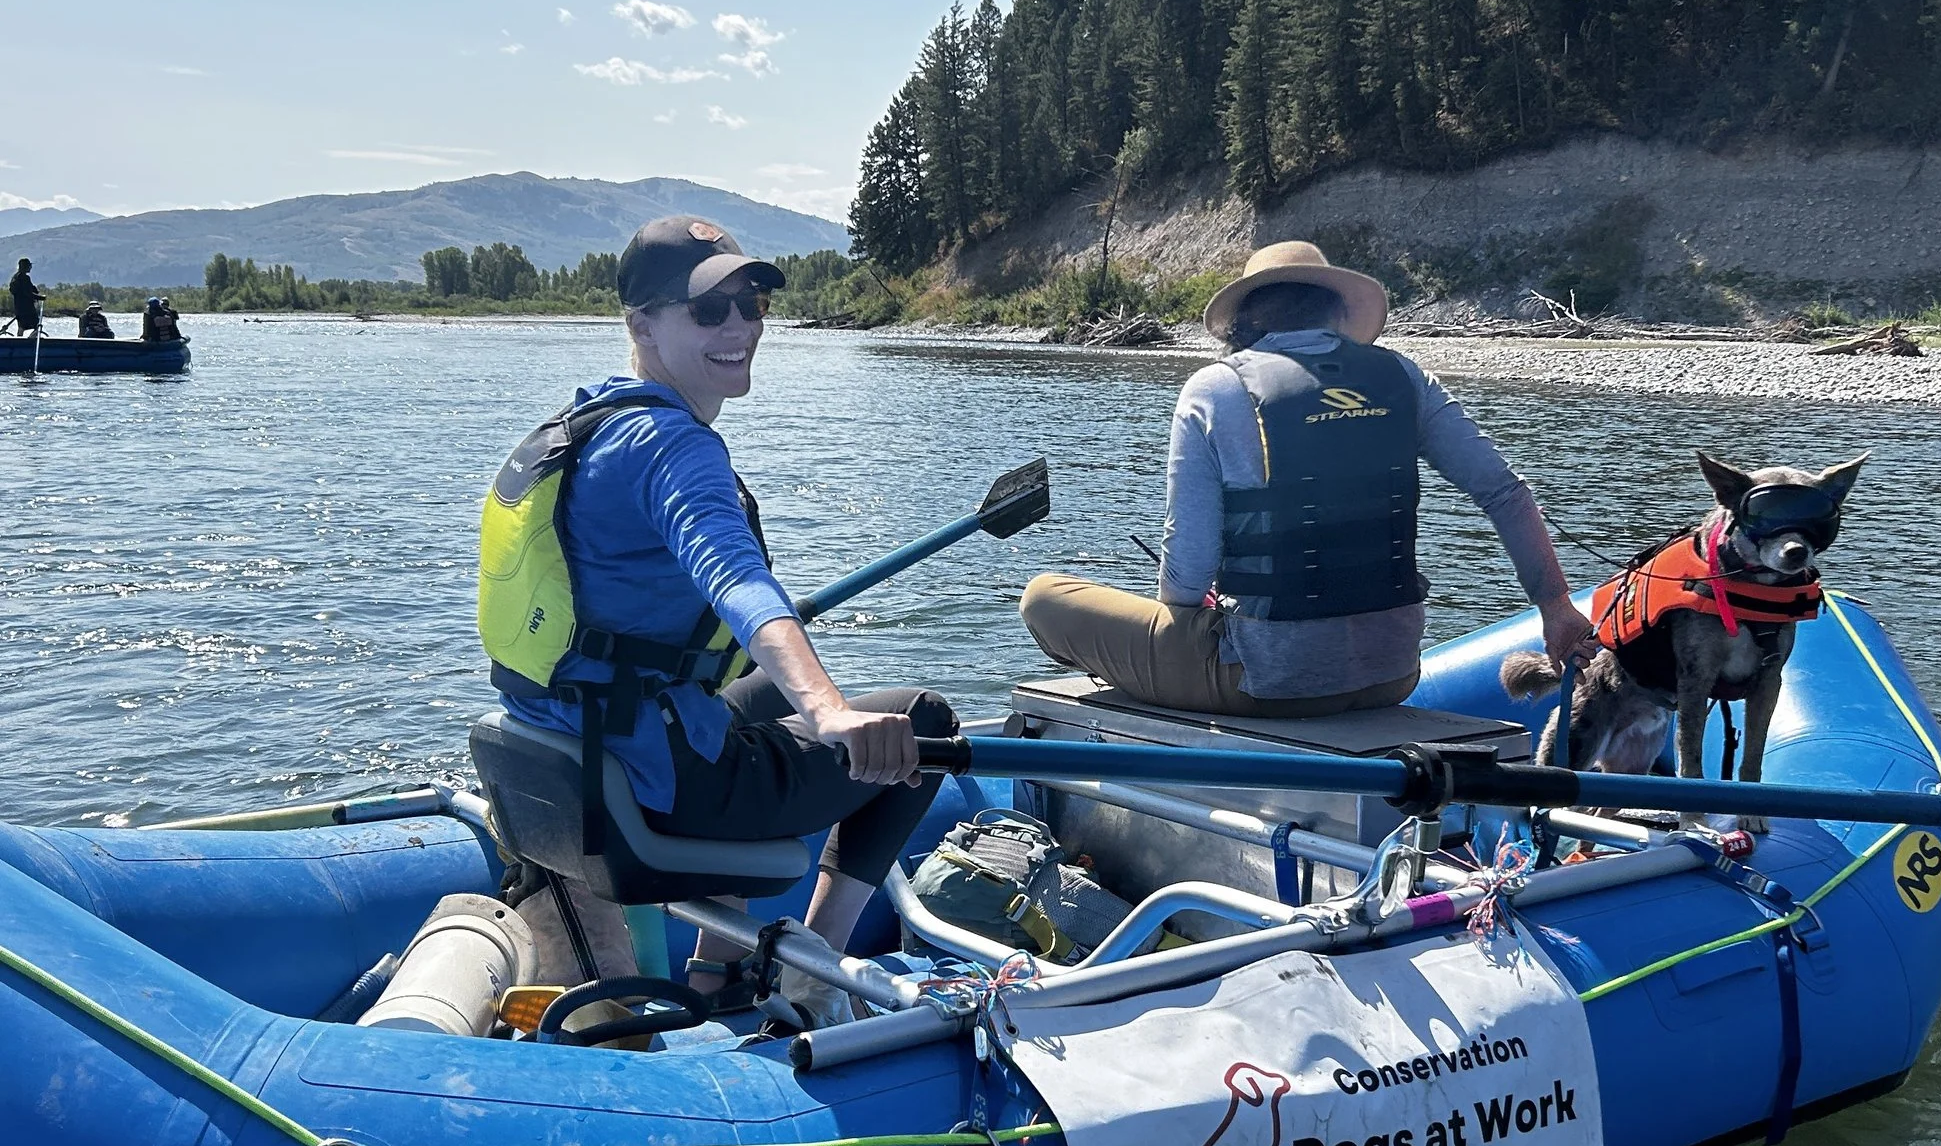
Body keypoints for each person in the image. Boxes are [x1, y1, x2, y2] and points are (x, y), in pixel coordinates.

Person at [479, 215, 954, 1009]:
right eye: (708, 310)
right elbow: (734, 577)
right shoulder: (676, 447)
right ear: (641, 324)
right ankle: (810, 970)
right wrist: (829, 708)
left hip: (568, 740)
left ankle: (716, 966)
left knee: (758, 696)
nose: (738, 327)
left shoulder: (595, 423)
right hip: (647, 777)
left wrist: (789, 682)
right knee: (926, 723)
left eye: (752, 303)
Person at [1019, 240, 1596, 717]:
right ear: (1337, 312)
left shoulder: (1214, 389)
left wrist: (1215, 605)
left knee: (1044, 597)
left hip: (1267, 683)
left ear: (1243, 322)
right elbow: (1505, 493)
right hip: (1392, 674)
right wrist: (1555, 607)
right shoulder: (1403, 376)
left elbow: (1184, 584)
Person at [7, 258, 40, 336]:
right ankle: (30, 341)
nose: (30, 267)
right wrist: (40, 297)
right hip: (27, 308)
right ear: (25, 266)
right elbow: (27, 293)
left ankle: (19, 341)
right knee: (37, 326)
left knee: (21, 326)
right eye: (29, 265)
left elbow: (29, 290)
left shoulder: (15, 277)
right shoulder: (24, 278)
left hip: (19, 308)